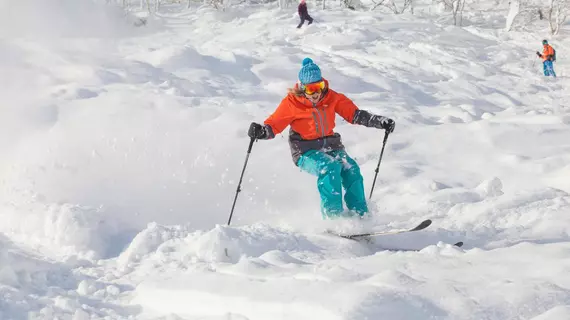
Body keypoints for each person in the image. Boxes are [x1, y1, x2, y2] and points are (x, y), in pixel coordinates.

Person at [247, 58, 395, 219]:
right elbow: (274, 125)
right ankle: (334, 219)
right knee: (329, 168)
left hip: (332, 145)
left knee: (351, 169)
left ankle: (360, 216)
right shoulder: (292, 103)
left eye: (319, 87)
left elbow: (355, 114)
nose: (316, 93)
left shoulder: (332, 97)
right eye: (311, 89)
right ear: (302, 88)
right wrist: (261, 131)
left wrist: (379, 121)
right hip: (305, 151)